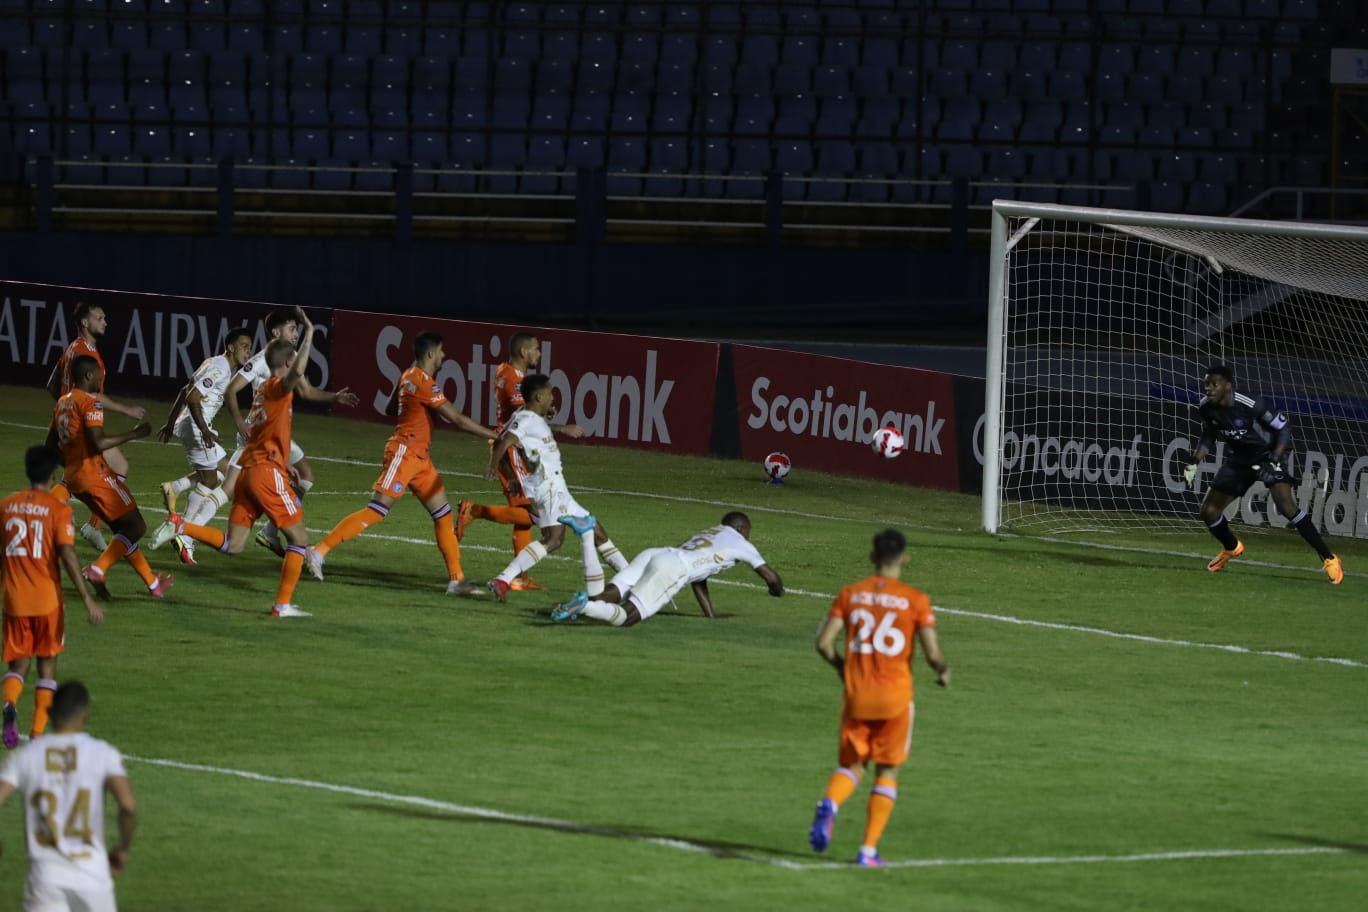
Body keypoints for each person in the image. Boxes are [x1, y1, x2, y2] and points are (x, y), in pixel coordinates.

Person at [150, 307, 326, 618]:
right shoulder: (277, 387)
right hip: (262, 473)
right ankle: (282, 605)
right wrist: (311, 331)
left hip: (249, 469)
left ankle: (181, 524)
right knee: (299, 539)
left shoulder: (262, 395)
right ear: (286, 363)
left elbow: (265, 436)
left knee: (233, 544)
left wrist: (286, 465)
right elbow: (296, 375)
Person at [305, 331, 497, 595]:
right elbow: (458, 419)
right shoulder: (424, 382)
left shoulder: (407, 375)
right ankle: (318, 552)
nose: (444, 355)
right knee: (377, 510)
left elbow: (388, 408)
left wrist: (413, 412)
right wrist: (494, 436)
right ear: (430, 354)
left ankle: (457, 579)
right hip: (404, 454)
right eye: (441, 351)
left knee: (443, 514)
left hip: (420, 458)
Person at [807, 529, 948, 867]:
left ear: (871, 557)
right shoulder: (915, 600)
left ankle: (831, 803)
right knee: (888, 771)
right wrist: (943, 670)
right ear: (904, 558)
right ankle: (867, 851)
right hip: (896, 699)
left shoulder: (850, 594)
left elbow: (823, 643)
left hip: (858, 695)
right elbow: (931, 653)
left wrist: (843, 668)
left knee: (853, 765)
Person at [1183, 364, 1343, 583]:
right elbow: (1209, 435)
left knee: (1286, 505)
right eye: (1206, 384)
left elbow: (1283, 427)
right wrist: (1194, 461)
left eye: (1214, 384)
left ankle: (1329, 558)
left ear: (1227, 386)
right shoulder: (1205, 408)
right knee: (1209, 511)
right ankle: (1232, 547)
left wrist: (1275, 459)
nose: (1208, 389)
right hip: (1240, 458)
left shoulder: (1250, 404)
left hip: (1269, 454)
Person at [219, 308, 357, 557]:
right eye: (292, 329)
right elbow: (231, 388)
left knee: (305, 477)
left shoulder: (288, 356)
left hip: (276, 431)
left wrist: (334, 397)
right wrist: (240, 421)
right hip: (260, 434)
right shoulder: (262, 359)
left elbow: (306, 391)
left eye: (297, 329)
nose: (295, 334)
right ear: (276, 332)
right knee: (229, 488)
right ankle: (188, 524)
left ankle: (270, 531)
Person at [456, 331, 585, 592]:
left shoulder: (505, 370)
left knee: (526, 514)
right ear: (524, 352)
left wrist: (545, 410)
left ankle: (521, 577)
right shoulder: (515, 380)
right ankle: (473, 510)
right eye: (536, 349)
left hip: (514, 446)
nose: (539, 353)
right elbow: (525, 419)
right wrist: (559, 426)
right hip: (514, 448)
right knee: (531, 515)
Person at [482, 373, 628, 602]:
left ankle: (631, 580)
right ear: (539, 396)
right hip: (548, 487)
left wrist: (509, 475)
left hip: (556, 486)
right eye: (550, 394)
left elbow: (502, 439)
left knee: (596, 529)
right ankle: (503, 579)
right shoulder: (526, 419)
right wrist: (494, 467)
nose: (553, 398)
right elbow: (503, 442)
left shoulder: (525, 416)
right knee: (553, 540)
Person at [0, 681, 137, 912]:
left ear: (50, 712)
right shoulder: (102, 753)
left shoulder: (25, 757)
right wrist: (122, 849)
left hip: (45, 878)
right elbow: (128, 805)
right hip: (92, 876)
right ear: (86, 715)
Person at [2, 446, 104, 750]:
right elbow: (67, 555)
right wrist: (86, 598)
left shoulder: (6, 506)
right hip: (47, 602)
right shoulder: (58, 510)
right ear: (53, 474)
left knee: (18, 667)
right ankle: (35, 734)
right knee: (47, 668)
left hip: (14, 600)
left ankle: (9, 705)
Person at [49, 357, 173, 601]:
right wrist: (136, 433)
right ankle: (97, 569)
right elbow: (99, 442)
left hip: (75, 477)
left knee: (121, 530)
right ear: (87, 376)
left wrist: (73, 466)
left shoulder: (62, 403)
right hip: (95, 475)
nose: (101, 379)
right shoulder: (90, 403)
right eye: (98, 375)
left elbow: (51, 444)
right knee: (136, 526)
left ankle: (152, 583)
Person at [551, 511, 783, 626]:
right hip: (673, 567)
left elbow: (699, 578)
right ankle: (583, 608)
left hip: (656, 553)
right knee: (627, 617)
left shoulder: (711, 532)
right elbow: (771, 577)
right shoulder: (741, 542)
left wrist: (710, 615)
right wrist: (777, 591)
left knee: (602, 596)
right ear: (742, 529)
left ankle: (586, 534)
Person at [45, 302, 147, 553]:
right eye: (99, 318)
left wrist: (65, 408)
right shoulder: (86, 355)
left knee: (100, 471)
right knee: (88, 476)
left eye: (104, 317)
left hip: (64, 426)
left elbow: (51, 385)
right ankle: (54, 515)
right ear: (84, 323)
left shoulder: (72, 349)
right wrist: (127, 410)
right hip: (79, 430)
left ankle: (85, 523)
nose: (105, 322)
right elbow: (95, 397)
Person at [152, 327, 255, 565]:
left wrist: (170, 424)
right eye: (244, 346)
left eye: (250, 347)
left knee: (223, 472)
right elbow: (193, 397)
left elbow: (184, 389)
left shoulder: (216, 363)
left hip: (193, 426)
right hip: (198, 428)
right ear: (230, 347)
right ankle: (185, 535)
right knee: (217, 480)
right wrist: (205, 430)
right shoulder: (220, 368)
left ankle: (176, 491)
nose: (248, 352)